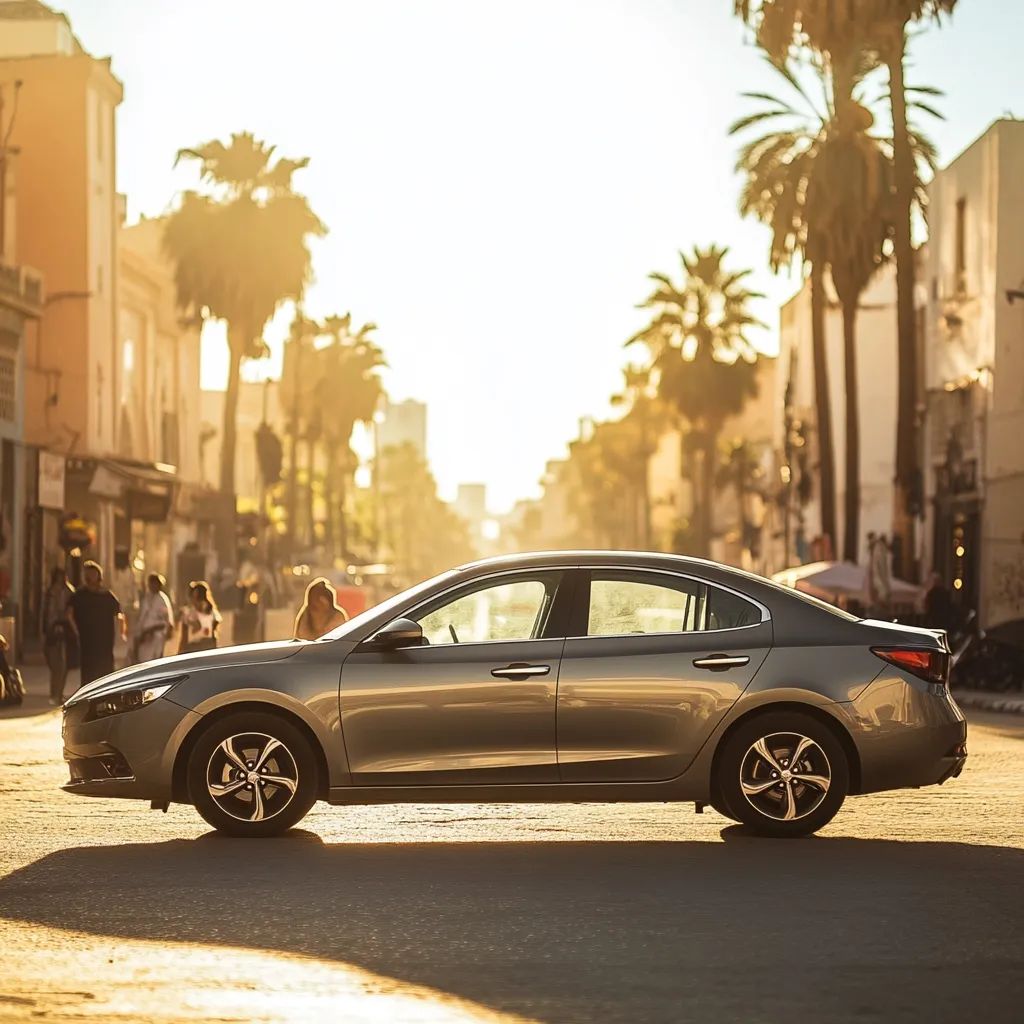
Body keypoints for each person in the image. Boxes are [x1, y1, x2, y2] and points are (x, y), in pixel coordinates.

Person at [66, 561, 125, 687]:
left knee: (105, 674)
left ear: (99, 576)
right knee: (88, 673)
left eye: (93, 574)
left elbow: (119, 615)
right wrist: (76, 631)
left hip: (104, 641)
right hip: (87, 640)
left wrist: (120, 634)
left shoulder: (107, 596)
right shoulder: (79, 595)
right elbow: (69, 614)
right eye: (87, 574)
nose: (90, 577)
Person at [42, 566, 74, 704]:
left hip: (66, 631)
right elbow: (45, 612)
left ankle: (58, 693)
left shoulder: (69, 591)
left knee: (63, 665)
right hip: (52, 631)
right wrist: (46, 629)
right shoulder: (50, 593)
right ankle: (55, 693)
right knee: (55, 664)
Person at [131, 573, 174, 664]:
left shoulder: (162, 599)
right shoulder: (146, 598)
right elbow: (142, 617)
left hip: (156, 635)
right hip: (144, 635)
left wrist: (151, 631)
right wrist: (140, 633)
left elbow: (165, 621)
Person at [179, 580, 221, 654]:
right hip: (194, 648)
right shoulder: (188, 615)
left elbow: (213, 635)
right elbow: (184, 638)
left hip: (205, 648)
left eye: (198, 598)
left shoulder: (211, 613)